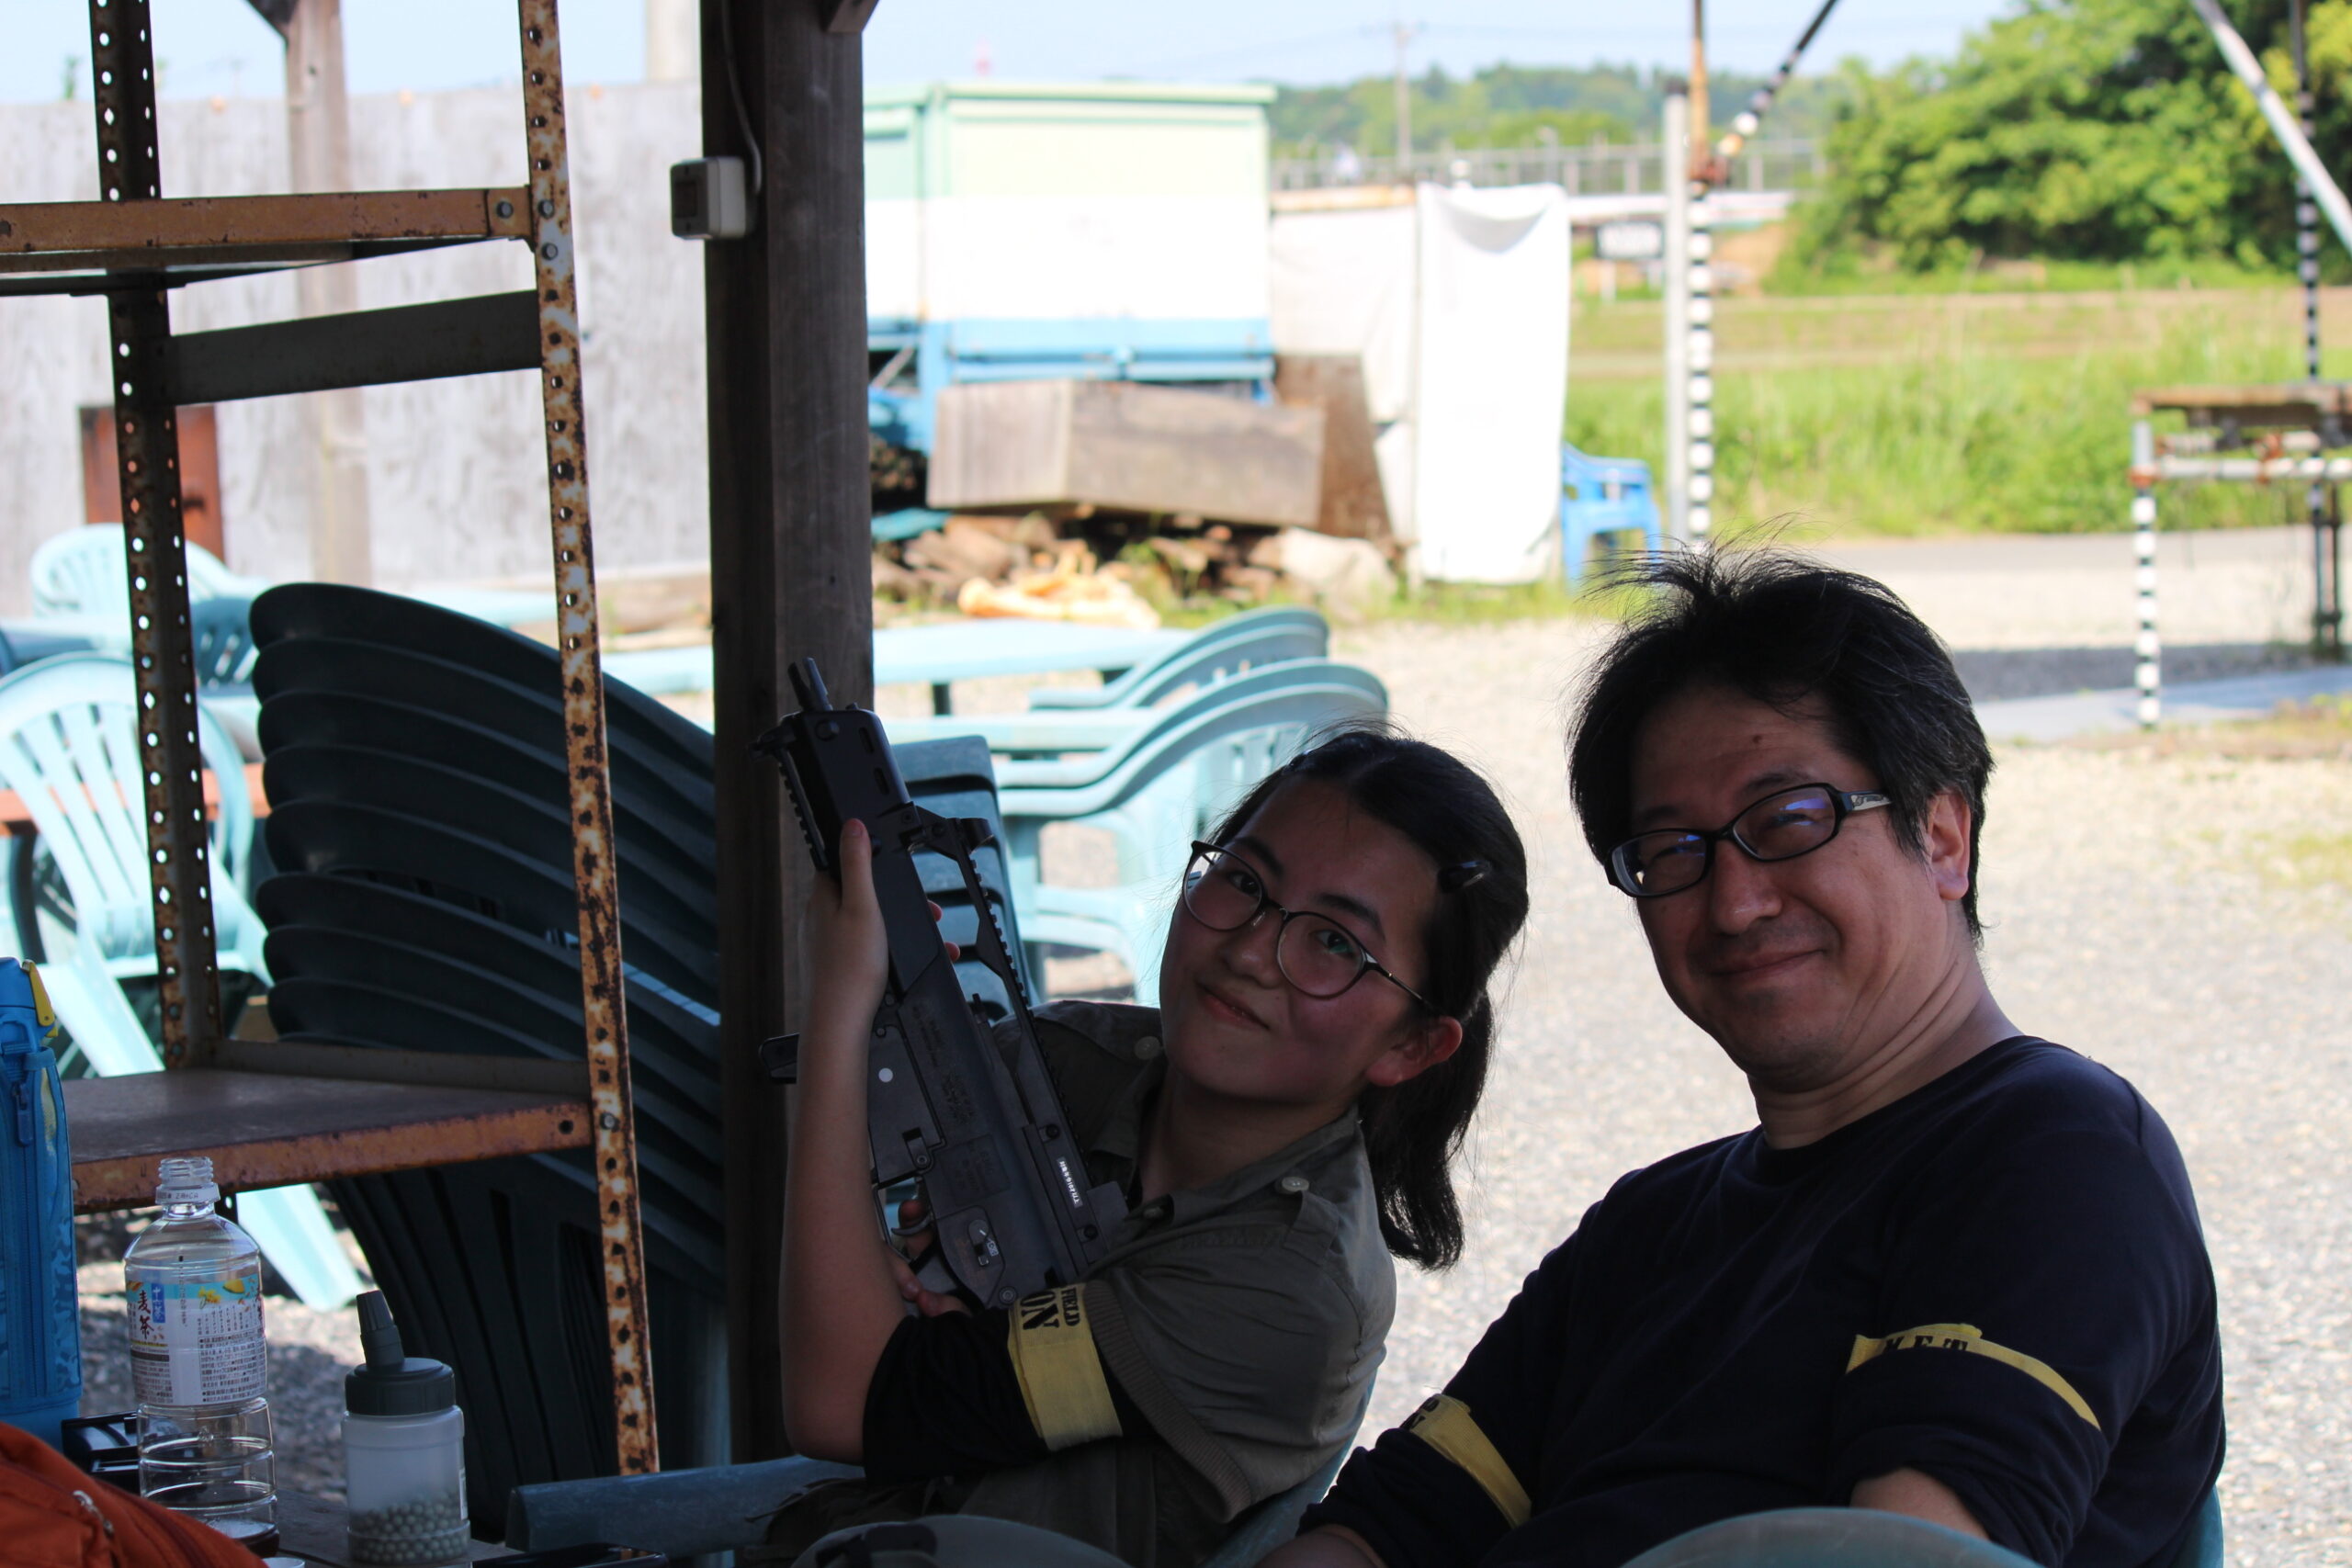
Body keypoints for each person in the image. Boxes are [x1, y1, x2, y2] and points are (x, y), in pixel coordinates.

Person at [1272, 553, 2224, 1568]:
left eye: (1789, 821)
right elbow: (1388, 1530)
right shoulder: (1649, 1226)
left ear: (1943, 836)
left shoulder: (2055, 1156)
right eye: (1673, 852)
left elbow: (1903, 1560)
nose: (1733, 903)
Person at [774, 727, 1532, 1568]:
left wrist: (839, 1006)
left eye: (1335, 943)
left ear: (1411, 1045)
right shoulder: (1071, 1062)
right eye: (1244, 881)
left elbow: (841, 1399)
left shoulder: (1283, 1287)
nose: (1250, 950)